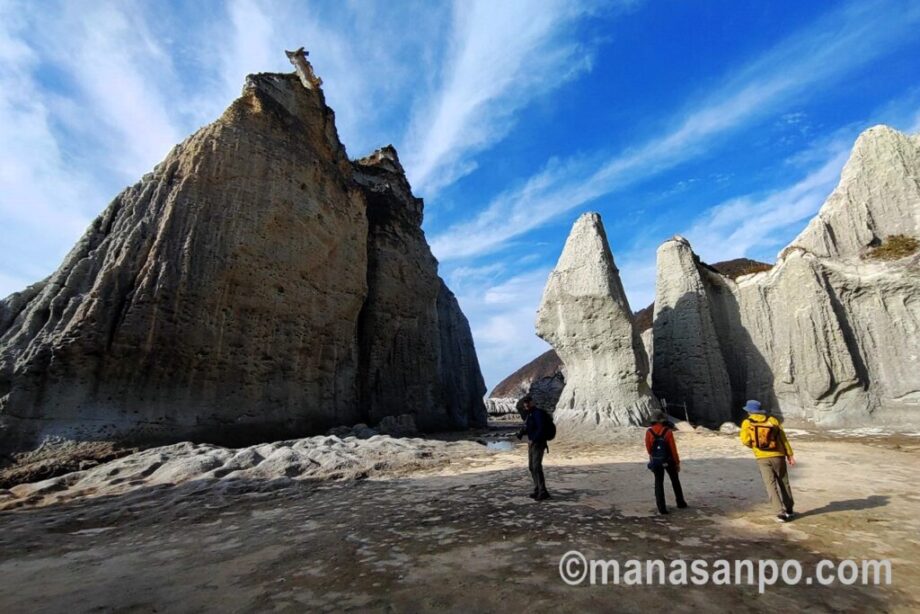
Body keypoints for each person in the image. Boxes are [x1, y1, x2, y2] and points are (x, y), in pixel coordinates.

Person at [739, 400, 796, 522]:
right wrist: (789, 454)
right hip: (778, 455)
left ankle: (780, 513)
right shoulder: (772, 421)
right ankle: (789, 509)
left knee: (770, 485)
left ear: (749, 411)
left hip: (762, 458)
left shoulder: (747, 423)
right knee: (784, 482)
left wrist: (756, 446)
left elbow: (745, 440)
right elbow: (783, 439)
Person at [645, 411, 687, 514]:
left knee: (658, 483)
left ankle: (661, 508)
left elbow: (649, 448)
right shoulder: (668, 432)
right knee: (675, 480)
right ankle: (680, 502)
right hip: (668, 460)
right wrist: (677, 463)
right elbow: (673, 449)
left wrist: (654, 456)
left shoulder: (649, 432)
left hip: (656, 460)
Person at [516, 396, 550, 500]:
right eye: (525, 403)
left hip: (538, 443)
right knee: (531, 467)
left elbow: (541, 428)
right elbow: (530, 427)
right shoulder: (529, 414)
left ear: (532, 402)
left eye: (528, 402)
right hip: (532, 444)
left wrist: (533, 439)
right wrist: (522, 433)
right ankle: (537, 489)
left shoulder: (537, 413)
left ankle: (543, 492)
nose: (526, 404)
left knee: (536, 467)